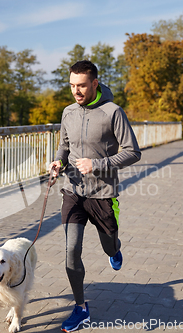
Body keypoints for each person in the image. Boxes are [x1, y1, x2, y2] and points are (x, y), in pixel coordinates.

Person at [49, 60, 141, 332]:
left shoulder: (112, 112)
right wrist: (57, 163)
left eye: (81, 86)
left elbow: (133, 151)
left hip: (102, 194)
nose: (76, 91)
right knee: (71, 251)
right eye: (72, 86)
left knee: (108, 245)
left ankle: (114, 248)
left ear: (95, 84)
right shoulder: (67, 112)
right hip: (72, 191)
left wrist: (97, 164)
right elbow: (64, 147)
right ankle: (80, 308)